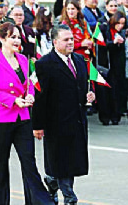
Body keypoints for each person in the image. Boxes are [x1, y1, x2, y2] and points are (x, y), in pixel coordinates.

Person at [0, 22, 53, 205]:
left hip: (22, 118)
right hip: (0, 119)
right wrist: (13, 100)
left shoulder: (23, 59)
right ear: (2, 39)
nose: (16, 40)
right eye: (12, 37)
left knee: (29, 163)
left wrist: (30, 95)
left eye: (18, 36)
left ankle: (40, 202)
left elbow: (30, 81)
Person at [32, 24, 95, 205]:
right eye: (66, 40)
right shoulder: (45, 64)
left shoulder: (80, 60)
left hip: (76, 120)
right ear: (55, 42)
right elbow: (40, 97)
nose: (70, 42)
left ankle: (52, 182)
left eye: (72, 39)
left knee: (72, 161)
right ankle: (69, 196)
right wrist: (38, 125)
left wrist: (89, 96)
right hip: (56, 122)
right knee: (62, 160)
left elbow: (81, 88)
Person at [96, 11, 128, 125]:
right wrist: (113, 43)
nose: (120, 26)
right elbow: (100, 45)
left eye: (123, 24)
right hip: (103, 65)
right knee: (104, 92)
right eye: (118, 23)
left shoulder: (123, 32)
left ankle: (116, 115)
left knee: (116, 91)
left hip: (117, 66)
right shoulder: (103, 28)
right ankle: (105, 116)